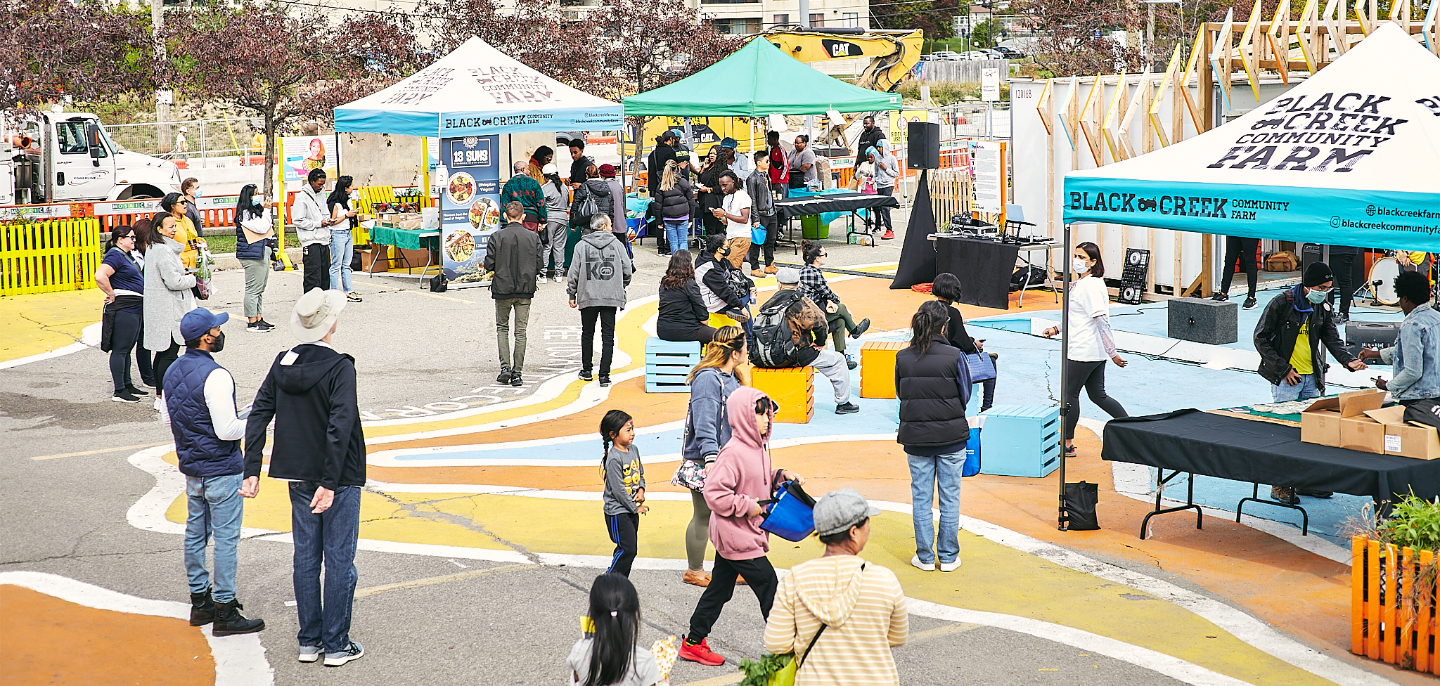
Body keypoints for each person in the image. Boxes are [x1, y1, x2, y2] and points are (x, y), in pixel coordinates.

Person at [242, 288, 367, 668]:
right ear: (332, 325)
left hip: (298, 473)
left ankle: (309, 640)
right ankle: (337, 642)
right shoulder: (340, 366)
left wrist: (252, 469)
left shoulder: (283, 362)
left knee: (307, 556)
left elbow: (259, 412)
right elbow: (340, 425)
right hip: (337, 475)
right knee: (340, 558)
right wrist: (330, 482)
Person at [679, 387, 805, 667]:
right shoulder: (733, 452)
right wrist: (748, 506)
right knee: (769, 586)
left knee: (720, 590)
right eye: (759, 413)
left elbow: (757, 478)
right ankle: (786, 651)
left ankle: (693, 642)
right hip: (737, 535)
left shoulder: (757, 448)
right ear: (744, 417)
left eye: (767, 413)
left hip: (740, 534)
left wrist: (780, 475)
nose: (766, 419)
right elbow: (714, 494)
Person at [165, 308, 265, 637]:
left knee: (196, 534)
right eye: (217, 328)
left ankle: (201, 602)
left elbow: (172, 420)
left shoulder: (171, 371)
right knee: (225, 540)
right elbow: (227, 430)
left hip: (193, 468)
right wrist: (256, 422)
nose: (221, 331)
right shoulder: (217, 375)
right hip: (221, 469)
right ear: (207, 336)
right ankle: (225, 608)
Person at [763, 489, 908, 685]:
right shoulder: (883, 579)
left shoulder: (794, 579)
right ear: (854, 532)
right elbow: (898, 637)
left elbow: (776, 642)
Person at [1254, 261, 1365, 504]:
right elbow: (1260, 338)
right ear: (1308, 285)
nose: (1325, 292)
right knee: (1286, 433)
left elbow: (1331, 337)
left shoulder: (1321, 306)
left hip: (1311, 379)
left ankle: (1307, 483)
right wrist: (1283, 369)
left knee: (1313, 433)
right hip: (1287, 380)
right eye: (1322, 287)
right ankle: (1280, 485)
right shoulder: (1282, 303)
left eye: (1328, 287)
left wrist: (1348, 361)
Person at [896, 301, 970, 572]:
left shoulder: (902, 357)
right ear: (943, 325)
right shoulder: (954, 355)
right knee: (950, 497)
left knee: (921, 498)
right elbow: (965, 393)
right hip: (951, 437)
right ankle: (949, 556)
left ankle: (925, 557)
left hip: (916, 437)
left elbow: (901, 391)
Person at [1043, 242, 1132, 458]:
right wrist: (1057, 329)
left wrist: (1113, 353)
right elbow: (1077, 316)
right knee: (1098, 395)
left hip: (1084, 351)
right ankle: (1131, 429)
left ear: (1093, 262)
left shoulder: (1089, 286)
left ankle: (1067, 443)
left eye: (1081, 257)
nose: (1077, 260)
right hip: (1093, 351)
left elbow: (1101, 321)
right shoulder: (1086, 283)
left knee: (1070, 395)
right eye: (1075, 256)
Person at [675, 326, 747, 587]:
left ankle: (734, 567)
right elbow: (705, 421)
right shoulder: (708, 379)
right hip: (710, 458)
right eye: (745, 345)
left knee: (733, 515)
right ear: (735, 352)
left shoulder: (732, 377)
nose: (748, 350)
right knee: (704, 514)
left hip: (729, 456)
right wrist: (711, 459)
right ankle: (694, 570)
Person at [754, 268, 860, 414]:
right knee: (838, 361)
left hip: (764, 356)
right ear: (798, 284)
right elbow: (821, 323)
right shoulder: (801, 302)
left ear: (779, 284)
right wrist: (820, 342)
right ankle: (843, 403)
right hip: (794, 355)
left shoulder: (768, 303)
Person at [1360, 270, 1440, 419]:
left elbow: (1413, 371)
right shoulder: (1436, 318)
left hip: (1418, 402)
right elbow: (1412, 351)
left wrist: (1388, 386)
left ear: (1405, 298)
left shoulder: (1412, 324)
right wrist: (1375, 354)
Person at [144, 212, 197, 424]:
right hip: (168, 309)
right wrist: (194, 278)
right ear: (159, 229)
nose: (174, 229)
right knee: (169, 354)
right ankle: (163, 395)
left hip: (161, 308)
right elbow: (173, 282)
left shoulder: (154, 248)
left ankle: (160, 395)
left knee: (163, 353)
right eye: (170, 226)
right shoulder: (164, 250)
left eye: (175, 226)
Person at [568, 214, 633, 387]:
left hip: (588, 295)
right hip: (611, 296)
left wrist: (572, 294)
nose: (612, 228)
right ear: (603, 226)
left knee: (587, 333)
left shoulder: (581, 245)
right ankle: (604, 375)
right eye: (610, 225)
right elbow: (627, 269)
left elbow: (573, 272)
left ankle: (587, 370)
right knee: (608, 336)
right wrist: (620, 285)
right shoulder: (617, 245)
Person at [485, 202, 544, 388]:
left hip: (502, 288)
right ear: (523, 216)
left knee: (502, 328)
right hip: (525, 288)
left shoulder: (496, 236)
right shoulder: (533, 237)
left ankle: (505, 368)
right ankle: (517, 373)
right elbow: (540, 265)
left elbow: (489, 265)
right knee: (521, 332)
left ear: (505, 216)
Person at [567, 574, 660, 686]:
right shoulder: (645, 661)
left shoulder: (580, 650)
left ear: (593, 612)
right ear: (634, 613)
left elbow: (577, 679)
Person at [97, 226, 150, 402]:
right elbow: (100, 275)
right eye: (131, 237)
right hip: (125, 307)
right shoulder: (115, 254)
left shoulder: (124, 255)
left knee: (127, 349)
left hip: (134, 306)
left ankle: (127, 384)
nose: (134, 240)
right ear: (120, 239)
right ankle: (119, 390)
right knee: (120, 350)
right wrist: (111, 293)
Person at [798, 242, 870, 365]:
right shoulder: (813, 273)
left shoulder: (808, 270)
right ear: (817, 258)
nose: (826, 256)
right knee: (841, 308)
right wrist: (836, 303)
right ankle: (854, 331)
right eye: (824, 254)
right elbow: (828, 292)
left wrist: (829, 300)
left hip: (812, 311)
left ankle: (841, 358)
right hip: (808, 316)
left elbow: (822, 293)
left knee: (840, 322)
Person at [600, 410, 647, 577]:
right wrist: (635, 508)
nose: (632, 433)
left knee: (628, 550)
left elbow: (640, 472)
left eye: (632, 429)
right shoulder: (613, 459)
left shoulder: (633, 450)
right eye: (628, 430)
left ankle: (620, 581)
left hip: (631, 509)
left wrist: (641, 489)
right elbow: (619, 491)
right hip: (617, 512)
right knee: (628, 549)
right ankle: (610, 579)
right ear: (613, 434)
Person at [234, 185, 276, 332]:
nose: (257, 197)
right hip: (252, 254)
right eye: (255, 194)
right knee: (253, 288)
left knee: (260, 288)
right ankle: (252, 322)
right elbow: (263, 228)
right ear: (248, 197)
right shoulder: (244, 214)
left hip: (260, 251)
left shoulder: (254, 212)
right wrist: (267, 210)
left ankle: (259, 318)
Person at [292, 168, 340, 293]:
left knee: (324, 276)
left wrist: (327, 221)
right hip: (311, 241)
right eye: (319, 184)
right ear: (312, 181)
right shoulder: (302, 197)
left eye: (323, 184)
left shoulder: (321, 195)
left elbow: (324, 213)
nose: (321, 186)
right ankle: (310, 306)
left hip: (323, 240)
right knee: (313, 276)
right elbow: (298, 220)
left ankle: (323, 303)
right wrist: (319, 223)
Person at [657, 251, 718, 345]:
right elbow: (701, 312)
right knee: (722, 335)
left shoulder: (664, 282)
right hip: (686, 329)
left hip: (663, 330)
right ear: (688, 265)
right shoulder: (690, 284)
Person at [694, 233, 753, 324]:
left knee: (746, 290)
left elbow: (736, 272)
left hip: (720, 295)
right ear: (719, 249)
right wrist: (740, 306)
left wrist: (750, 284)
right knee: (744, 305)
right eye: (727, 247)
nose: (729, 249)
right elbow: (723, 291)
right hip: (713, 303)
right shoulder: (709, 269)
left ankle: (736, 309)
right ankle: (749, 337)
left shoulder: (721, 260)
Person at [568, 164, 613, 274]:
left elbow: (575, 204)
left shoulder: (584, 186)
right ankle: (602, 268)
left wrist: (572, 223)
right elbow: (611, 205)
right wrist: (610, 222)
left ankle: (588, 270)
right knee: (603, 246)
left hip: (587, 221)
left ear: (587, 175)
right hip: (603, 222)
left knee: (587, 247)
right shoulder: (606, 186)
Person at [326, 175, 362, 302]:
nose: (352, 188)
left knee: (346, 264)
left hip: (347, 233)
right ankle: (335, 292)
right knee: (336, 264)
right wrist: (347, 215)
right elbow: (332, 221)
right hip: (337, 234)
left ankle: (349, 291)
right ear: (345, 188)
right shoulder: (334, 202)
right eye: (351, 186)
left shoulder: (348, 200)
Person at [745, 150, 778, 277]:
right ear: (759, 163)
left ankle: (769, 265)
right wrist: (756, 218)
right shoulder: (752, 178)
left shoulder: (765, 176)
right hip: (761, 214)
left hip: (771, 212)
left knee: (771, 240)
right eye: (767, 161)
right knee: (757, 242)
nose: (769, 163)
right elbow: (752, 200)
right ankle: (754, 267)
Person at [712, 171, 751, 269]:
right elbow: (726, 221)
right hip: (730, 236)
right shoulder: (726, 198)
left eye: (725, 185)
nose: (723, 188)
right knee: (733, 267)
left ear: (733, 182)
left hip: (742, 237)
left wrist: (725, 214)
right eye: (721, 185)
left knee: (732, 266)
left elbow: (744, 219)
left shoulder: (743, 196)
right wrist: (719, 216)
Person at [655, 159, 695, 254]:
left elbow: (658, 206)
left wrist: (659, 221)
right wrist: (691, 218)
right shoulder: (683, 182)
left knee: (673, 242)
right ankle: (684, 263)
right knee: (683, 241)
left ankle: (675, 264)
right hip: (683, 216)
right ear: (676, 169)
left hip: (668, 217)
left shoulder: (662, 185)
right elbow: (691, 201)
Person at [1213, 235, 1260, 310]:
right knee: (1229, 260)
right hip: (1236, 230)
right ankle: (1223, 293)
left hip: (1250, 229)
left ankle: (1251, 297)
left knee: (1250, 262)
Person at [501, 159, 548, 234]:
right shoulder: (534, 182)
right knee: (531, 242)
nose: (529, 172)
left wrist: (503, 222)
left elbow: (504, 204)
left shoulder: (509, 184)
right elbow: (541, 202)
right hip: (532, 219)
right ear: (523, 169)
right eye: (528, 169)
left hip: (514, 219)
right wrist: (543, 220)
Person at [542, 163, 570, 283]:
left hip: (550, 219)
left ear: (546, 177)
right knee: (559, 247)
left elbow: (541, 205)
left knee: (547, 246)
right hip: (563, 219)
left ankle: (543, 274)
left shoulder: (545, 188)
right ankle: (559, 273)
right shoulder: (564, 188)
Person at [160, 192, 203, 270]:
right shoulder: (167, 222)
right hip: (180, 264)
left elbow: (195, 236)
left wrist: (201, 241)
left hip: (195, 263)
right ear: (173, 206)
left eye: (186, 202)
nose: (185, 204)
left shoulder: (187, 220)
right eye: (182, 203)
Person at [695, 147, 727, 237]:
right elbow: (702, 180)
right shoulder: (708, 167)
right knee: (710, 230)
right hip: (706, 202)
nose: (711, 155)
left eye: (714, 154)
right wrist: (703, 169)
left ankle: (716, 249)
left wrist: (709, 189)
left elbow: (723, 188)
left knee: (716, 230)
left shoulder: (722, 170)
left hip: (715, 202)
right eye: (710, 153)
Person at [600, 164, 630, 258]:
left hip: (610, 222)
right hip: (620, 221)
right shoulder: (618, 185)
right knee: (621, 249)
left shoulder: (605, 186)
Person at [1328, 245, 1365, 321]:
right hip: (1327, 247)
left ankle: (1344, 313)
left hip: (1343, 248)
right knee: (1326, 280)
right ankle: (1328, 310)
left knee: (1344, 281)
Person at [872, 140, 899, 240]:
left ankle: (889, 229)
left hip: (888, 185)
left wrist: (885, 168)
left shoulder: (892, 159)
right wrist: (874, 180)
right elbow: (875, 172)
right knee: (879, 207)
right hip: (879, 185)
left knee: (885, 207)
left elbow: (896, 173)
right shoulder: (877, 158)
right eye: (878, 147)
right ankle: (880, 226)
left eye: (880, 147)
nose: (879, 149)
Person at [647, 131, 681, 196]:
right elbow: (674, 170)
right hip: (667, 187)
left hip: (654, 189)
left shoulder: (652, 154)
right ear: (671, 139)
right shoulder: (670, 152)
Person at [766, 130, 789, 199]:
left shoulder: (781, 150)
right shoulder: (772, 150)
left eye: (769, 139)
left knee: (781, 200)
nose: (768, 141)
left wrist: (780, 181)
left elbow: (786, 166)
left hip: (780, 182)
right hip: (773, 181)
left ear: (775, 139)